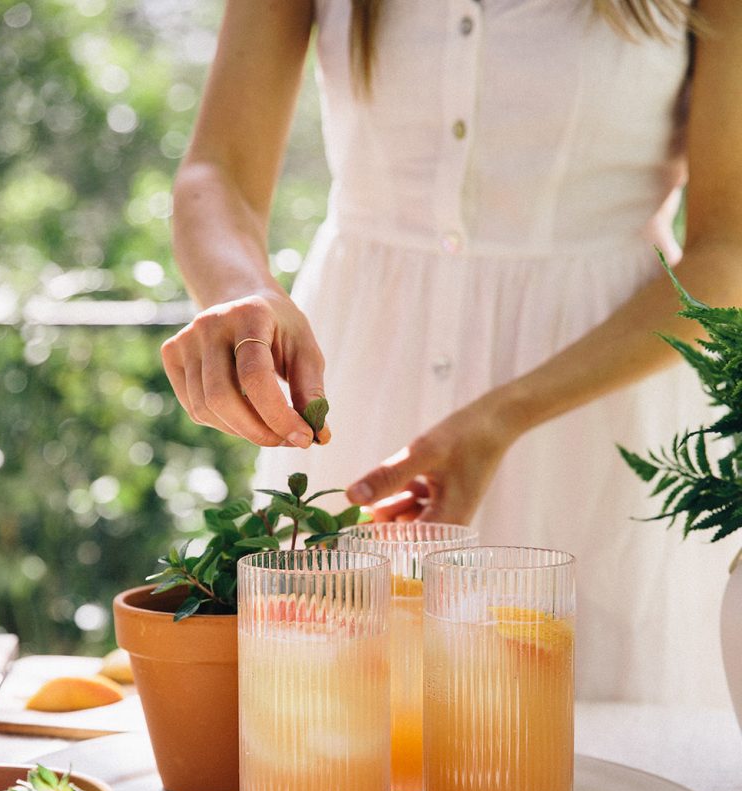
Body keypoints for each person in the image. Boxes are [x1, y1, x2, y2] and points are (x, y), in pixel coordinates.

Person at [160, 0, 742, 707]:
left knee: (591, 754)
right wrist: (240, 293)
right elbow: (215, 171)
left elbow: (729, 253)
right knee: (325, 739)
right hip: (356, 382)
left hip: (597, 410)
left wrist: (505, 414)